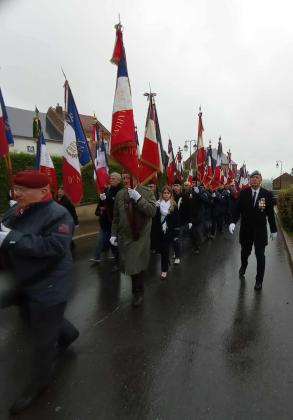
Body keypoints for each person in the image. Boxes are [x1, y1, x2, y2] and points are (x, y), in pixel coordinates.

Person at [0, 169, 79, 415]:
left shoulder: (59, 214)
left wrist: (11, 238)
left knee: (43, 340)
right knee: (33, 318)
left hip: (49, 286)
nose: (16, 194)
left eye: (23, 190)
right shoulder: (16, 210)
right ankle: (68, 333)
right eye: (16, 189)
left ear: (44, 192)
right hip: (24, 280)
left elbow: (54, 247)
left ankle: (39, 384)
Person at [110, 173, 156, 307]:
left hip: (140, 235)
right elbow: (116, 216)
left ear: (136, 177)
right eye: (123, 178)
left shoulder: (146, 192)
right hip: (125, 235)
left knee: (134, 263)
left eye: (128, 177)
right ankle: (137, 289)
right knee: (132, 264)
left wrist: (139, 198)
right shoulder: (120, 194)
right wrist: (113, 234)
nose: (125, 180)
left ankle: (138, 293)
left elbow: (152, 211)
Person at [229, 170, 277, 290]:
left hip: (260, 231)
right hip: (246, 230)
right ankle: (243, 266)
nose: (254, 179)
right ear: (250, 180)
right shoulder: (244, 193)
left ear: (260, 180)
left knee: (260, 255)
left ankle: (259, 280)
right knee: (245, 253)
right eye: (252, 177)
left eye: (257, 177)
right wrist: (233, 222)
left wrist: (273, 229)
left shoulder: (267, 194)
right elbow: (237, 209)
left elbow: (270, 213)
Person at [90, 172, 122, 264]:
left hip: (114, 222)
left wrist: (106, 201)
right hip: (105, 222)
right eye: (110, 178)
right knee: (105, 239)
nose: (111, 180)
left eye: (113, 179)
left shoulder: (120, 192)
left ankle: (115, 258)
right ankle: (99, 256)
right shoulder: (107, 190)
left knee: (109, 241)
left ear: (118, 180)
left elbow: (116, 207)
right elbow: (101, 204)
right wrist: (100, 208)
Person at [155, 186, 180, 279]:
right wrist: (155, 208)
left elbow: (177, 219)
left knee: (165, 250)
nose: (166, 195)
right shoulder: (157, 204)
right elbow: (155, 218)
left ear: (170, 194)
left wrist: (176, 233)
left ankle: (164, 270)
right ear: (161, 194)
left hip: (169, 231)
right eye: (164, 193)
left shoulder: (173, 205)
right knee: (162, 250)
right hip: (159, 231)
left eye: (168, 193)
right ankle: (166, 262)